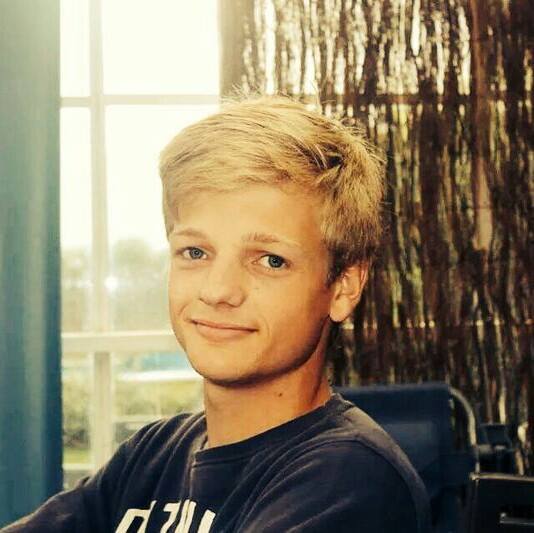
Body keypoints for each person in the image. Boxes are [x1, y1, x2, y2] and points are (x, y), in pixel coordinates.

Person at [2, 95, 430, 532]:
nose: (218, 290)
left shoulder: (350, 481)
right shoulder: (152, 457)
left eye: (270, 260)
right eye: (195, 252)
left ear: (343, 287)